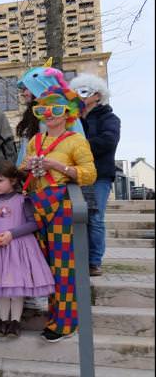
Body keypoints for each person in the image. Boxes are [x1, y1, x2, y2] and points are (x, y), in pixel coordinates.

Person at [21, 86, 97, 342]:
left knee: (64, 266)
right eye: (42, 109)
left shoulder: (76, 140)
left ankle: (66, 322)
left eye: (55, 109)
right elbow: (23, 168)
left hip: (62, 206)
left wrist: (58, 166)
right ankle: (54, 314)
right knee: (45, 264)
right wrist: (29, 166)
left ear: (68, 113)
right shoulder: (35, 140)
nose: (48, 114)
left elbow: (89, 174)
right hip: (38, 204)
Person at [0, 161, 55, 337]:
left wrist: (12, 234)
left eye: (0, 180)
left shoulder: (23, 200)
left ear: (13, 181)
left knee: (16, 286)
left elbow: (34, 223)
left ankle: (15, 321)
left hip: (19, 249)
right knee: (2, 287)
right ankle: (2, 320)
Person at [71, 73, 120, 276]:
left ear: (97, 95)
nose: (80, 97)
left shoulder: (110, 119)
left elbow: (108, 141)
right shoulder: (73, 120)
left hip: (99, 175)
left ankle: (94, 261)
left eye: (84, 91)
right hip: (76, 174)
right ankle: (78, 258)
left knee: (96, 217)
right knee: (77, 216)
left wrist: (79, 148)